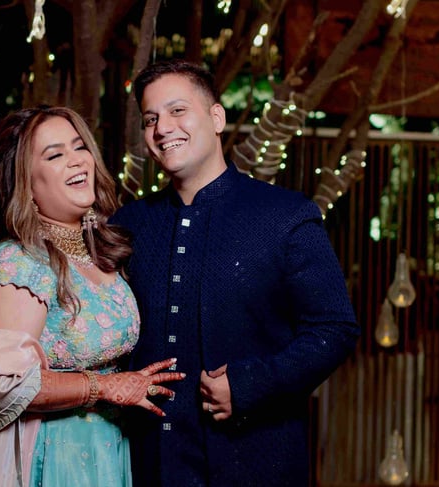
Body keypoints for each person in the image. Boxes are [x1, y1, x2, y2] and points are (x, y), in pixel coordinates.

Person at [109, 60, 361, 486]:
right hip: (148, 463)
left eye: (177, 111)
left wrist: (249, 385)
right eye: (150, 119)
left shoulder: (285, 215)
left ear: (217, 118)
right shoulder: (128, 225)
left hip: (256, 461)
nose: (162, 128)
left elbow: (335, 329)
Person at [0, 106, 185, 487]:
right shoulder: (18, 261)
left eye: (79, 147)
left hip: (107, 453)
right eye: (55, 155)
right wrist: (103, 386)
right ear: (26, 184)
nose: (77, 161)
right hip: (47, 460)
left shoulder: (100, 251)